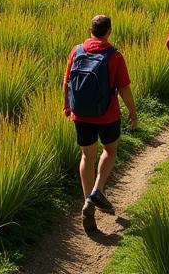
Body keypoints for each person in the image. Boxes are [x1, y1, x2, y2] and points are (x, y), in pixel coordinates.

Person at [64, 14, 139, 232]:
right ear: (109, 32)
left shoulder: (76, 51)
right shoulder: (114, 56)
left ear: (90, 30)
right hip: (107, 115)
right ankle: (96, 193)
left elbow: (67, 82)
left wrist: (67, 106)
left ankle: (88, 202)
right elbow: (124, 88)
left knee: (87, 155)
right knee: (110, 150)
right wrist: (133, 113)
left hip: (80, 114)